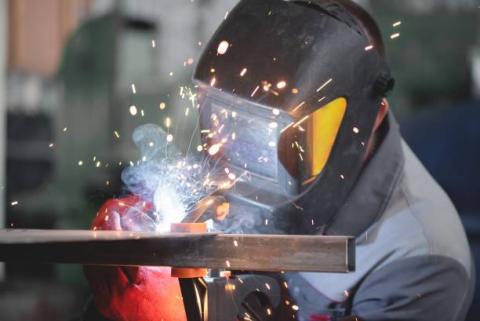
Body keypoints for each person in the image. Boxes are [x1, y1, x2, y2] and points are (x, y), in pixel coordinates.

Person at [84, 0, 475, 320]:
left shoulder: (420, 259)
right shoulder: (237, 147)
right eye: (227, 119)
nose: (236, 153)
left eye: (272, 135)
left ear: (368, 118)